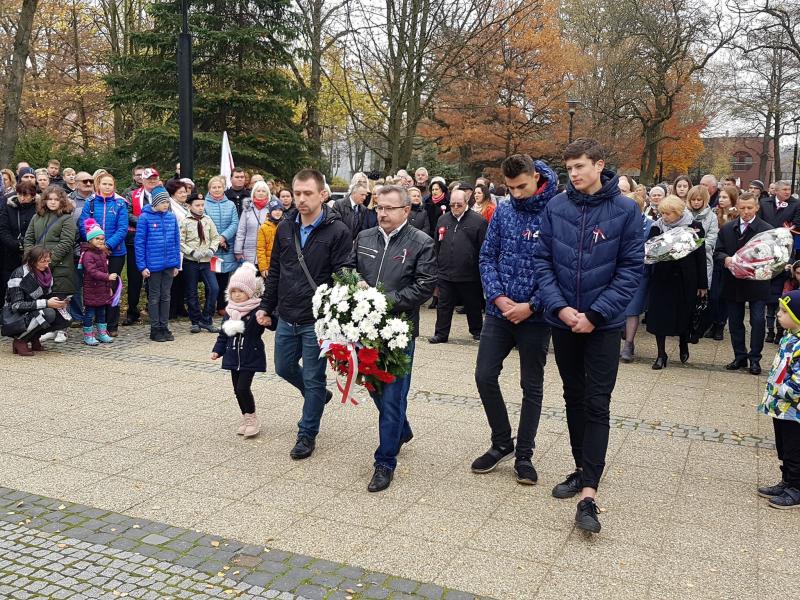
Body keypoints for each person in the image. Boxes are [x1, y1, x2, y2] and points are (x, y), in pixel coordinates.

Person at [535, 138, 643, 533]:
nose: (574, 174)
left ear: (600, 165)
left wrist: (596, 314)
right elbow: (542, 261)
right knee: (573, 397)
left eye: (580, 166)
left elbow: (631, 270)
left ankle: (589, 495)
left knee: (597, 403)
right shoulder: (556, 206)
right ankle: (581, 467)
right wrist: (561, 309)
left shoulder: (626, 211)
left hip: (603, 325)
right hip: (563, 322)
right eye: (569, 168)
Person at [471, 156, 557, 487]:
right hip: (499, 312)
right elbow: (487, 256)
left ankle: (524, 455)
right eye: (510, 188)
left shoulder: (555, 210)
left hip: (536, 317)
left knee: (531, 385)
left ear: (536, 177)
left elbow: (558, 266)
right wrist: (497, 296)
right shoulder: (505, 209)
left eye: (522, 186)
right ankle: (502, 441)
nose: (517, 194)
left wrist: (532, 305)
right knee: (484, 375)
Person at [255, 168, 351, 460]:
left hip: (316, 321)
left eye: (307, 193)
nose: (301, 199)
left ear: (322, 195)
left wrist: (335, 317)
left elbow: (342, 277)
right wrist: (265, 306)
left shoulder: (338, 231)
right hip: (287, 313)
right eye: (297, 193)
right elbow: (276, 273)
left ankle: (306, 433)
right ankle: (319, 397)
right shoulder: (285, 226)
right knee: (283, 367)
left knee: (313, 378)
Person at [349, 184, 436, 491]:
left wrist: (383, 300)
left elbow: (425, 286)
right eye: (378, 208)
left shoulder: (421, 242)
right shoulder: (364, 237)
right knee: (372, 386)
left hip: (399, 331)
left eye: (388, 208)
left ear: (405, 211)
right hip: (365, 330)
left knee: (393, 394)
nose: (382, 214)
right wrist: (354, 282)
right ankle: (402, 429)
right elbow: (348, 268)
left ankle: (385, 462)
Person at [646, 196, 708, 368]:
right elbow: (649, 250)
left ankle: (683, 343)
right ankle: (661, 354)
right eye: (662, 213)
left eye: (668, 214)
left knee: (684, 313)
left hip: (686, 278)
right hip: (662, 278)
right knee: (660, 316)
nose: (664, 217)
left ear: (678, 213)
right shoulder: (657, 227)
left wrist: (703, 284)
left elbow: (700, 255)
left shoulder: (694, 227)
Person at [715, 193, 773, 375]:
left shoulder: (766, 230)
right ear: (737, 208)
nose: (746, 212)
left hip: (757, 284)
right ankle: (739, 356)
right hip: (734, 283)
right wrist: (726, 259)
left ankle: (755, 359)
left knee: (757, 321)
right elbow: (718, 252)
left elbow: (774, 256)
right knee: (735, 322)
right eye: (742, 208)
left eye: (749, 208)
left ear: (756, 207)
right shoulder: (727, 228)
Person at [212, 262, 268, 438]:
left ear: (250, 292)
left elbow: (258, 329)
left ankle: (252, 418)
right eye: (233, 291)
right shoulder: (230, 311)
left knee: (244, 387)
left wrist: (262, 320)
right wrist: (218, 350)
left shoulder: (256, 310)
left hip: (250, 354)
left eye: (241, 291)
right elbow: (223, 334)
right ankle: (246, 417)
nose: (236, 295)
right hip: (232, 355)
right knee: (237, 389)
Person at [756, 290, 800, 509]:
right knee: (783, 445)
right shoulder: (789, 338)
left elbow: (797, 381)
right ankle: (787, 480)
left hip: (794, 408)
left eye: (785, 311)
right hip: (780, 406)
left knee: (794, 447)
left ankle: (797, 488)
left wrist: (783, 390)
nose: (779, 314)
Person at [429, 189, 486, 344]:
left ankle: (477, 330)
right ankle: (441, 334)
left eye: (459, 205)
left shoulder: (478, 221)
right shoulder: (443, 220)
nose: (455, 208)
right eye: (452, 205)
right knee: (444, 305)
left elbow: (483, 247)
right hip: (445, 272)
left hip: (469, 273)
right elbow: (436, 244)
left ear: (466, 203)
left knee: (472, 303)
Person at [23, 186, 77, 343]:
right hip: (37, 265)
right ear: (44, 200)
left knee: (59, 297)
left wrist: (47, 261)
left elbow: (66, 242)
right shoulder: (36, 217)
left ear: (62, 201)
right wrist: (32, 260)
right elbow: (29, 239)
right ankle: (50, 329)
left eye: (56, 199)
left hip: (59, 265)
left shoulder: (67, 219)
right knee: (45, 298)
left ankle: (62, 330)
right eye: (50, 199)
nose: (53, 202)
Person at [78, 172, 128, 336]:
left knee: (111, 286)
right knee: (96, 285)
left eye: (110, 184)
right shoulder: (90, 202)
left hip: (115, 252)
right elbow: (84, 225)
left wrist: (107, 245)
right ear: (98, 185)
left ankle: (111, 325)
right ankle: (97, 324)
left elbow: (122, 228)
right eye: (104, 184)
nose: (107, 187)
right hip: (94, 252)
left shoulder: (120, 204)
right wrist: (97, 245)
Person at [1, 246, 69, 355]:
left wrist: (58, 302)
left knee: (63, 316)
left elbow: (46, 296)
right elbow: (16, 305)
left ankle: (34, 337)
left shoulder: (46, 273)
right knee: (48, 313)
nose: (47, 265)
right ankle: (20, 340)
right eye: (43, 261)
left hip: (34, 309)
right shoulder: (19, 274)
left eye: (48, 261)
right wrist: (47, 303)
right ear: (32, 261)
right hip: (14, 316)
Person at [135, 186, 180, 342]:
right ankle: (155, 328)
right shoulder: (144, 218)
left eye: (167, 202)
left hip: (169, 264)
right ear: (155, 202)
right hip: (153, 265)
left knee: (166, 296)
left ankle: (164, 325)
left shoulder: (171, 217)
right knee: (154, 296)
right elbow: (139, 243)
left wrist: (176, 263)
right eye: (163, 202)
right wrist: (142, 266)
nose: (166, 205)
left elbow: (176, 241)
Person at [758, 180, 800, 343]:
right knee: (766, 294)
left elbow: (797, 224)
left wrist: (784, 232)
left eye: (789, 189)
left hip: (785, 250)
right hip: (766, 251)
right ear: (776, 191)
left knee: (779, 293)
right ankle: (769, 330)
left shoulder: (796, 204)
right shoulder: (764, 203)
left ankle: (780, 330)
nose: (787, 192)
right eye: (784, 189)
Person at [123, 167, 160, 326]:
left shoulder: (162, 194)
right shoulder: (132, 195)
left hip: (157, 241)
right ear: (142, 180)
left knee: (156, 276)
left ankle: (154, 310)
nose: (152, 181)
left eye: (154, 178)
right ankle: (132, 310)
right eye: (149, 179)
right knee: (135, 277)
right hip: (135, 240)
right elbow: (127, 213)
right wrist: (145, 221)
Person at [620, 192, 653, 363]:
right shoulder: (618, 221)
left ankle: (629, 344)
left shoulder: (649, 225)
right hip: (618, 271)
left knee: (632, 310)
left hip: (640, 273)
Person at [180, 193, 221, 333]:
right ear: (189, 206)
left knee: (214, 288)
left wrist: (212, 248)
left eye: (202, 205)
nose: (200, 208)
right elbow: (180, 241)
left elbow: (216, 237)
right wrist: (191, 252)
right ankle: (195, 321)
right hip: (191, 261)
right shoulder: (184, 221)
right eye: (197, 205)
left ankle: (207, 319)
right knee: (191, 292)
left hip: (206, 261)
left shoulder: (208, 220)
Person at [706, 185, 741, 341]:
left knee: (724, 295)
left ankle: (720, 324)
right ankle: (713, 322)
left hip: (730, 258)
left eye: (725, 197)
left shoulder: (738, 216)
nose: (721, 200)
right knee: (714, 295)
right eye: (720, 197)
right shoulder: (715, 213)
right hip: (716, 257)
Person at [205, 175, 239, 313]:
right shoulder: (205, 204)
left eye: (219, 187)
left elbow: (234, 223)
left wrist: (224, 237)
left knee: (224, 278)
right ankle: (209, 307)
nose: (217, 189)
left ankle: (221, 306)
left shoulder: (230, 204)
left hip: (226, 246)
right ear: (209, 189)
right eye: (214, 187)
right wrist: (216, 239)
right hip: (211, 246)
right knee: (211, 279)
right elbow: (205, 222)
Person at [80, 219, 118, 346]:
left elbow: (104, 269)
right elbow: (92, 271)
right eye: (97, 238)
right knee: (90, 313)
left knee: (102, 312)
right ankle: (88, 335)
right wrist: (107, 277)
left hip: (102, 289)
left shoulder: (102, 253)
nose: (100, 241)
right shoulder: (88, 255)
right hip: (92, 289)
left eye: (102, 239)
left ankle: (102, 333)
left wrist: (109, 287)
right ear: (90, 240)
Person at [0, 181, 37, 304]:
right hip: (11, 252)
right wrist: (16, 244)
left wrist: (28, 247)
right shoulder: (8, 206)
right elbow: (3, 229)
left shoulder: (39, 208)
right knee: (9, 284)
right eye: (20, 194)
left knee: (31, 285)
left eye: (26, 195)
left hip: (33, 253)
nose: (22, 198)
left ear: (32, 195)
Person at [687, 185, 719, 288]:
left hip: (704, 258)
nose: (696, 202)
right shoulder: (684, 215)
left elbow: (711, 238)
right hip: (686, 258)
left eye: (699, 199)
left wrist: (696, 249)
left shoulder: (712, 217)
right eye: (693, 199)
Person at [234, 181, 270, 265]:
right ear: (254, 193)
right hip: (248, 253)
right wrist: (238, 250)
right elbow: (241, 231)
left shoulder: (271, 209)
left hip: (266, 253)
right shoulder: (247, 209)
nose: (261, 193)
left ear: (267, 193)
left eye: (263, 191)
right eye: (258, 191)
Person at [255, 199, 283, 277]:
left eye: (280, 209)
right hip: (269, 266)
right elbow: (261, 249)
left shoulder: (286, 225)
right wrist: (263, 268)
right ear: (270, 212)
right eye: (275, 210)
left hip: (283, 266)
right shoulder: (264, 228)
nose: (278, 212)